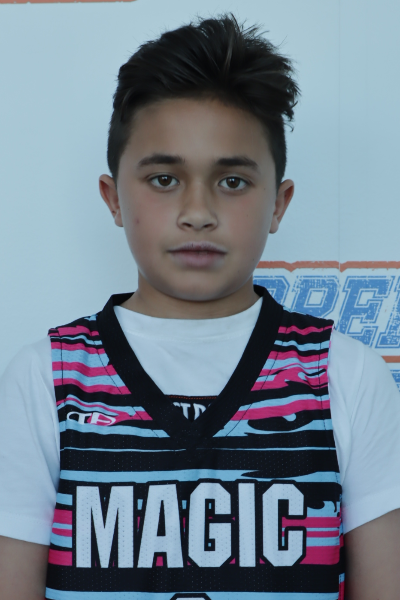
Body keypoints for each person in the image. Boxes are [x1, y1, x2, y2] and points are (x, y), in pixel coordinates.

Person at [0, 14, 400, 600]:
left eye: (232, 182)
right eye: (164, 179)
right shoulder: (46, 380)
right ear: (113, 198)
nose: (197, 213)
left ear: (278, 203)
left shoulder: (346, 376)